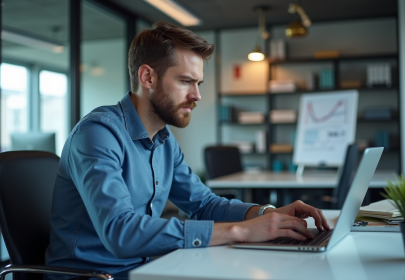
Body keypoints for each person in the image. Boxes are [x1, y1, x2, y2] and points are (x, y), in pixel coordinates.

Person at [45, 22, 329, 279]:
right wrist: (240, 231)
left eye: (198, 83)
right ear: (148, 77)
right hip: (91, 277)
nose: (197, 95)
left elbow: (203, 204)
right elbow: (121, 231)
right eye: (185, 81)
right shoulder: (97, 134)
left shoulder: (164, 140)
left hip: (144, 269)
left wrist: (266, 214)